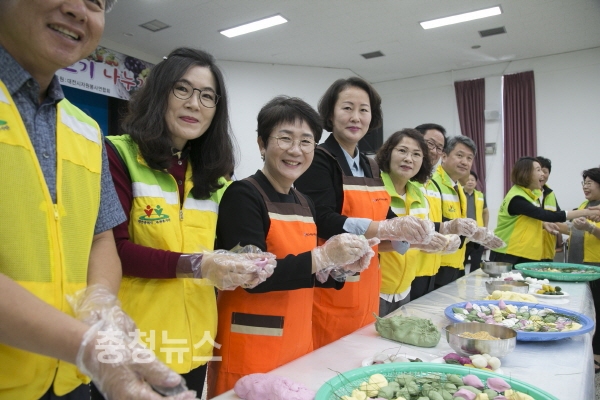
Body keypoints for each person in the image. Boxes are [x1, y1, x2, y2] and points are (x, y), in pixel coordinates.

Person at [0, 1, 197, 399]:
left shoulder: (86, 130)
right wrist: (87, 345)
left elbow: (101, 237)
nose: (78, 10)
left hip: (67, 379)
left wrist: (102, 305)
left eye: (97, 2)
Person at [105, 47, 276, 397]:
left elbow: (223, 246)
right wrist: (199, 265)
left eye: (207, 96)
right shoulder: (117, 154)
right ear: (159, 92)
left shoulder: (214, 176)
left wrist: (248, 261)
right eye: (182, 89)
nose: (194, 104)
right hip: (133, 343)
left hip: (195, 341)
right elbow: (114, 251)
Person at [207, 96, 377, 396]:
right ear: (262, 144)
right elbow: (252, 276)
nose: (296, 150)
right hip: (253, 342)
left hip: (298, 340)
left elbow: (302, 270)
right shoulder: (243, 195)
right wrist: (322, 257)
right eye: (285, 138)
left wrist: (338, 268)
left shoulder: (304, 201)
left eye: (306, 141)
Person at [295, 77, 436, 349]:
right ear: (330, 114)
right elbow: (321, 219)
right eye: (347, 108)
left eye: (364, 110)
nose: (356, 117)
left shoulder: (370, 166)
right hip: (333, 286)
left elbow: (385, 215)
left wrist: (417, 235)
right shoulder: (320, 159)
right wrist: (383, 228)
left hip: (369, 285)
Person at [375, 129, 461, 316]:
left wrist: (441, 242)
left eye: (416, 154)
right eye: (402, 151)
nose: (409, 159)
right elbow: (370, 241)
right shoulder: (375, 189)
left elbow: (422, 236)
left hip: (405, 286)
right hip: (375, 288)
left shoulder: (418, 194)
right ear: (388, 153)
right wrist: (419, 242)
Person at [491, 157, 600, 264]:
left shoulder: (530, 195)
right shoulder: (517, 198)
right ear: (526, 173)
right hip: (508, 252)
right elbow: (545, 215)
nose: (543, 174)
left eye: (589, 183)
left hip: (525, 252)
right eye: (538, 170)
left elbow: (527, 219)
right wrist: (586, 212)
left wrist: (543, 224)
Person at [429, 135, 503, 288]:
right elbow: (431, 224)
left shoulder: (459, 189)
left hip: (456, 261)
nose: (465, 162)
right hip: (437, 264)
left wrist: (477, 234)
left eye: (469, 158)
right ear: (444, 156)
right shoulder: (432, 184)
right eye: (459, 155)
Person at [461, 170, 489, 273]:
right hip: (463, 234)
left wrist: (485, 228)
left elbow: (485, 212)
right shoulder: (458, 193)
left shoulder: (480, 195)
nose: (470, 182)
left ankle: (474, 281)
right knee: (461, 263)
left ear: (476, 182)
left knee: (476, 262)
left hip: (477, 234)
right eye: (468, 179)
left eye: (472, 180)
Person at [536, 156, 563, 261]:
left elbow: (558, 217)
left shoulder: (551, 194)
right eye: (539, 171)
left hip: (548, 252)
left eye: (545, 171)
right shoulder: (524, 194)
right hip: (529, 252)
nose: (542, 174)